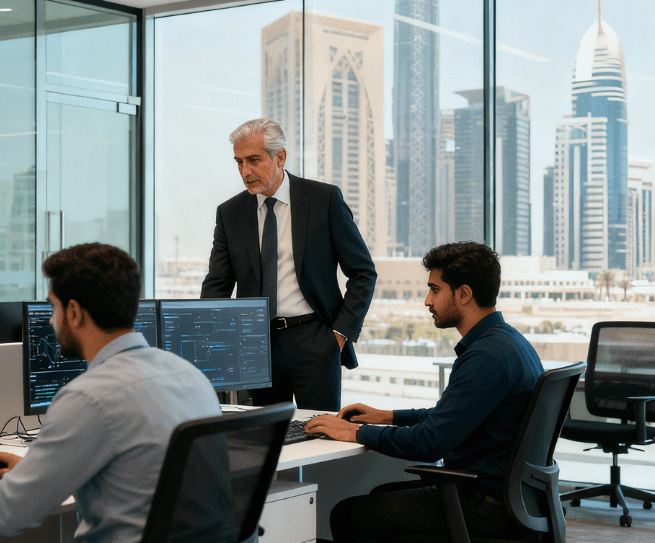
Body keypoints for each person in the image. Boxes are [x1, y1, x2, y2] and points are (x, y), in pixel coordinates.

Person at [0, 243, 221, 541]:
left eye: (53, 308)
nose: (51, 321)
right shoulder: (190, 377)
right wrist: (37, 471)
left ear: (75, 312)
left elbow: (6, 513)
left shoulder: (89, 398)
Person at [306, 241, 544, 542]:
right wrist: (386, 416)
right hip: (513, 501)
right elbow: (453, 417)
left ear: (464, 294)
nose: (427, 300)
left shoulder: (486, 358)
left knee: (350, 515)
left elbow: (431, 442)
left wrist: (354, 433)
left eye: (435, 289)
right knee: (382, 494)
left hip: (485, 508)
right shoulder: (509, 343)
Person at [201, 118, 377, 411]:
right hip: (255, 344)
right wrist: (217, 343)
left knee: (320, 437)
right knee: (262, 439)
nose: (245, 171)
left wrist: (339, 335)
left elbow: (362, 273)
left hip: (315, 340)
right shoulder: (230, 213)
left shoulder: (324, 199)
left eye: (253, 160)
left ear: (279, 156)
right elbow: (217, 284)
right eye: (239, 162)